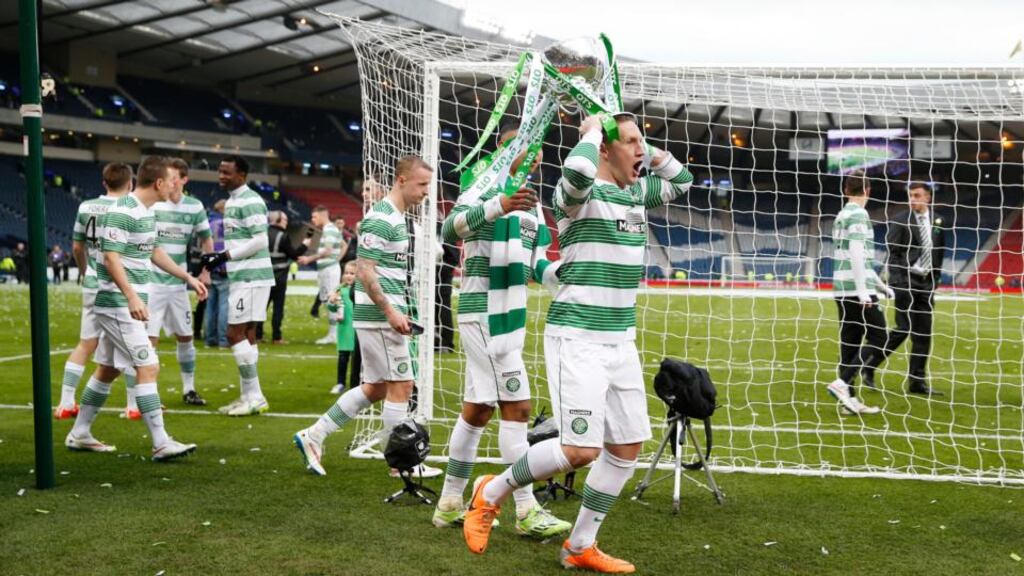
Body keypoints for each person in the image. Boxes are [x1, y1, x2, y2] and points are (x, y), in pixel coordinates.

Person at [462, 112, 694, 573]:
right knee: (581, 450)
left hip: (620, 340)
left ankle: (579, 545)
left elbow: (682, 180)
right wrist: (591, 132)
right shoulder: (578, 194)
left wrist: (643, 145)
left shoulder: (634, 191)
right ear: (605, 149)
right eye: (630, 143)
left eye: (641, 143)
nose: (640, 151)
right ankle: (490, 492)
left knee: (626, 447)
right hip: (578, 336)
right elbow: (577, 172)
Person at [433, 122, 570, 539]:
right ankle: (525, 509)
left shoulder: (532, 207)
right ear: (500, 152)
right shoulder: (482, 189)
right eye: (519, 150)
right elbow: (447, 229)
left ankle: (449, 504)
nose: (529, 159)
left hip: (506, 315)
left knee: (477, 411)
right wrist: (500, 205)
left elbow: (534, 264)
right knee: (519, 409)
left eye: (535, 154)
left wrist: (564, 275)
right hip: (483, 315)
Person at [293, 155, 437, 476]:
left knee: (375, 387)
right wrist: (390, 312)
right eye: (422, 184)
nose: (427, 191)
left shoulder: (397, 217)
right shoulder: (381, 218)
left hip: (382, 315)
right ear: (401, 180)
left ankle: (314, 435)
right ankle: (402, 465)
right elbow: (365, 271)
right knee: (403, 384)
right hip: (380, 317)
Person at [65, 155, 206, 459]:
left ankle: (79, 433)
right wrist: (130, 296)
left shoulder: (147, 212)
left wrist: (187, 276)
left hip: (123, 303)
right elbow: (111, 257)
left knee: (109, 368)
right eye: (171, 180)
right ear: (158, 183)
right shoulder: (122, 211)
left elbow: (153, 251)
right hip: (116, 304)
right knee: (148, 366)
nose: (176, 185)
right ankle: (161, 442)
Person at [54, 162, 132, 419]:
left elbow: (77, 248)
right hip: (120, 286)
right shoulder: (130, 208)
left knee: (86, 343)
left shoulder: (85, 206)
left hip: (92, 282)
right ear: (130, 184)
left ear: (104, 182)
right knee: (131, 344)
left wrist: (85, 270)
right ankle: (134, 404)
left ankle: (66, 402)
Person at [203, 156, 275, 416]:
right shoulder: (233, 201)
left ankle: (254, 396)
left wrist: (223, 256)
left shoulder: (251, 200)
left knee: (234, 334)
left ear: (242, 174)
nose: (221, 176)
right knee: (247, 335)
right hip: (244, 276)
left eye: (226, 172)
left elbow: (260, 240)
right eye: (220, 171)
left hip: (251, 277)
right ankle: (249, 396)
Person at [824, 170, 893, 416]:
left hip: (842, 288)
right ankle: (842, 383)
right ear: (868, 190)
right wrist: (865, 291)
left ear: (845, 190)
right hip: (856, 289)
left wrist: (880, 286)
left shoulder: (842, 214)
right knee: (879, 337)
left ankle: (849, 402)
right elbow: (855, 251)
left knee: (850, 344)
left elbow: (860, 257)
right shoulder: (859, 214)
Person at [146, 158, 213, 406]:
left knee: (185, 337)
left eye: (173, 176)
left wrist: (206, 272)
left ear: (184, 180)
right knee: (149, 339)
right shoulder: (154, 205)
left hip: (178, 287)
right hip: (152, 284)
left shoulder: (194, 207)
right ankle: (149, 394)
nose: (169, 181)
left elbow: (207, 240)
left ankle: (189, 389)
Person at [879, 181, 946, 396]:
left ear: (928, 197)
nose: (913, 199)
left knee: (923, 334)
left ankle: (917, 382)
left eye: (917, 195)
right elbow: (893, 254)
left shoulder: (938, 221)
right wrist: (898, 281)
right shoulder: (900, 221)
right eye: (910, 195)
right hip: (906, 282)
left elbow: (940, 251)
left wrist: (934, 280)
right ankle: (868, 365)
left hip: (926, 285)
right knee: (903, 329)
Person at [260, 210, 309, 344]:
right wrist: (306, 243)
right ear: (277, 221)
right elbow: (294, 255)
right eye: (285, 220)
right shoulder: (283, 236)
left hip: (263, 275)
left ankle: (258, 335)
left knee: (261, 306)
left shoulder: (262, 233)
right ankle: (277, 337)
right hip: (279, 277)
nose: (286, 223)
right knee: (278, 307)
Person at [298, 206, 345, 344]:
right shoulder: (330, 229)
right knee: (328, 300)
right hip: (329, 268)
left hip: (329, 270)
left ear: (322, 215)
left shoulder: (329, 229)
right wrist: (337, 260)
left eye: (314, 217)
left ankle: (334, 335)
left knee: (331, 300)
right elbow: (343, 246)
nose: (312, 220)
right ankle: (334, 333)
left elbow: (328, 250)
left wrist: (309, 259)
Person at [327, 260, 357, 394]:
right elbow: (332, 308)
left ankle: (356, 384)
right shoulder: (339, 289)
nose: (349, 276)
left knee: (358, 360)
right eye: (346, 273)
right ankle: (340, 383)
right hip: (344, 329)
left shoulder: (361, 290)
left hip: (358, 330)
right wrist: (332, 301)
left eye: (352, 273)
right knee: (343, 358)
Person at [203, 200, 230, 348]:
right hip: (224, 268)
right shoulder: (227, 224)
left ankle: (209, 339)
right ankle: (223, 340)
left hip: (210, 268)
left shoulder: (208, 222)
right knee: (224, 306)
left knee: (210, 306)